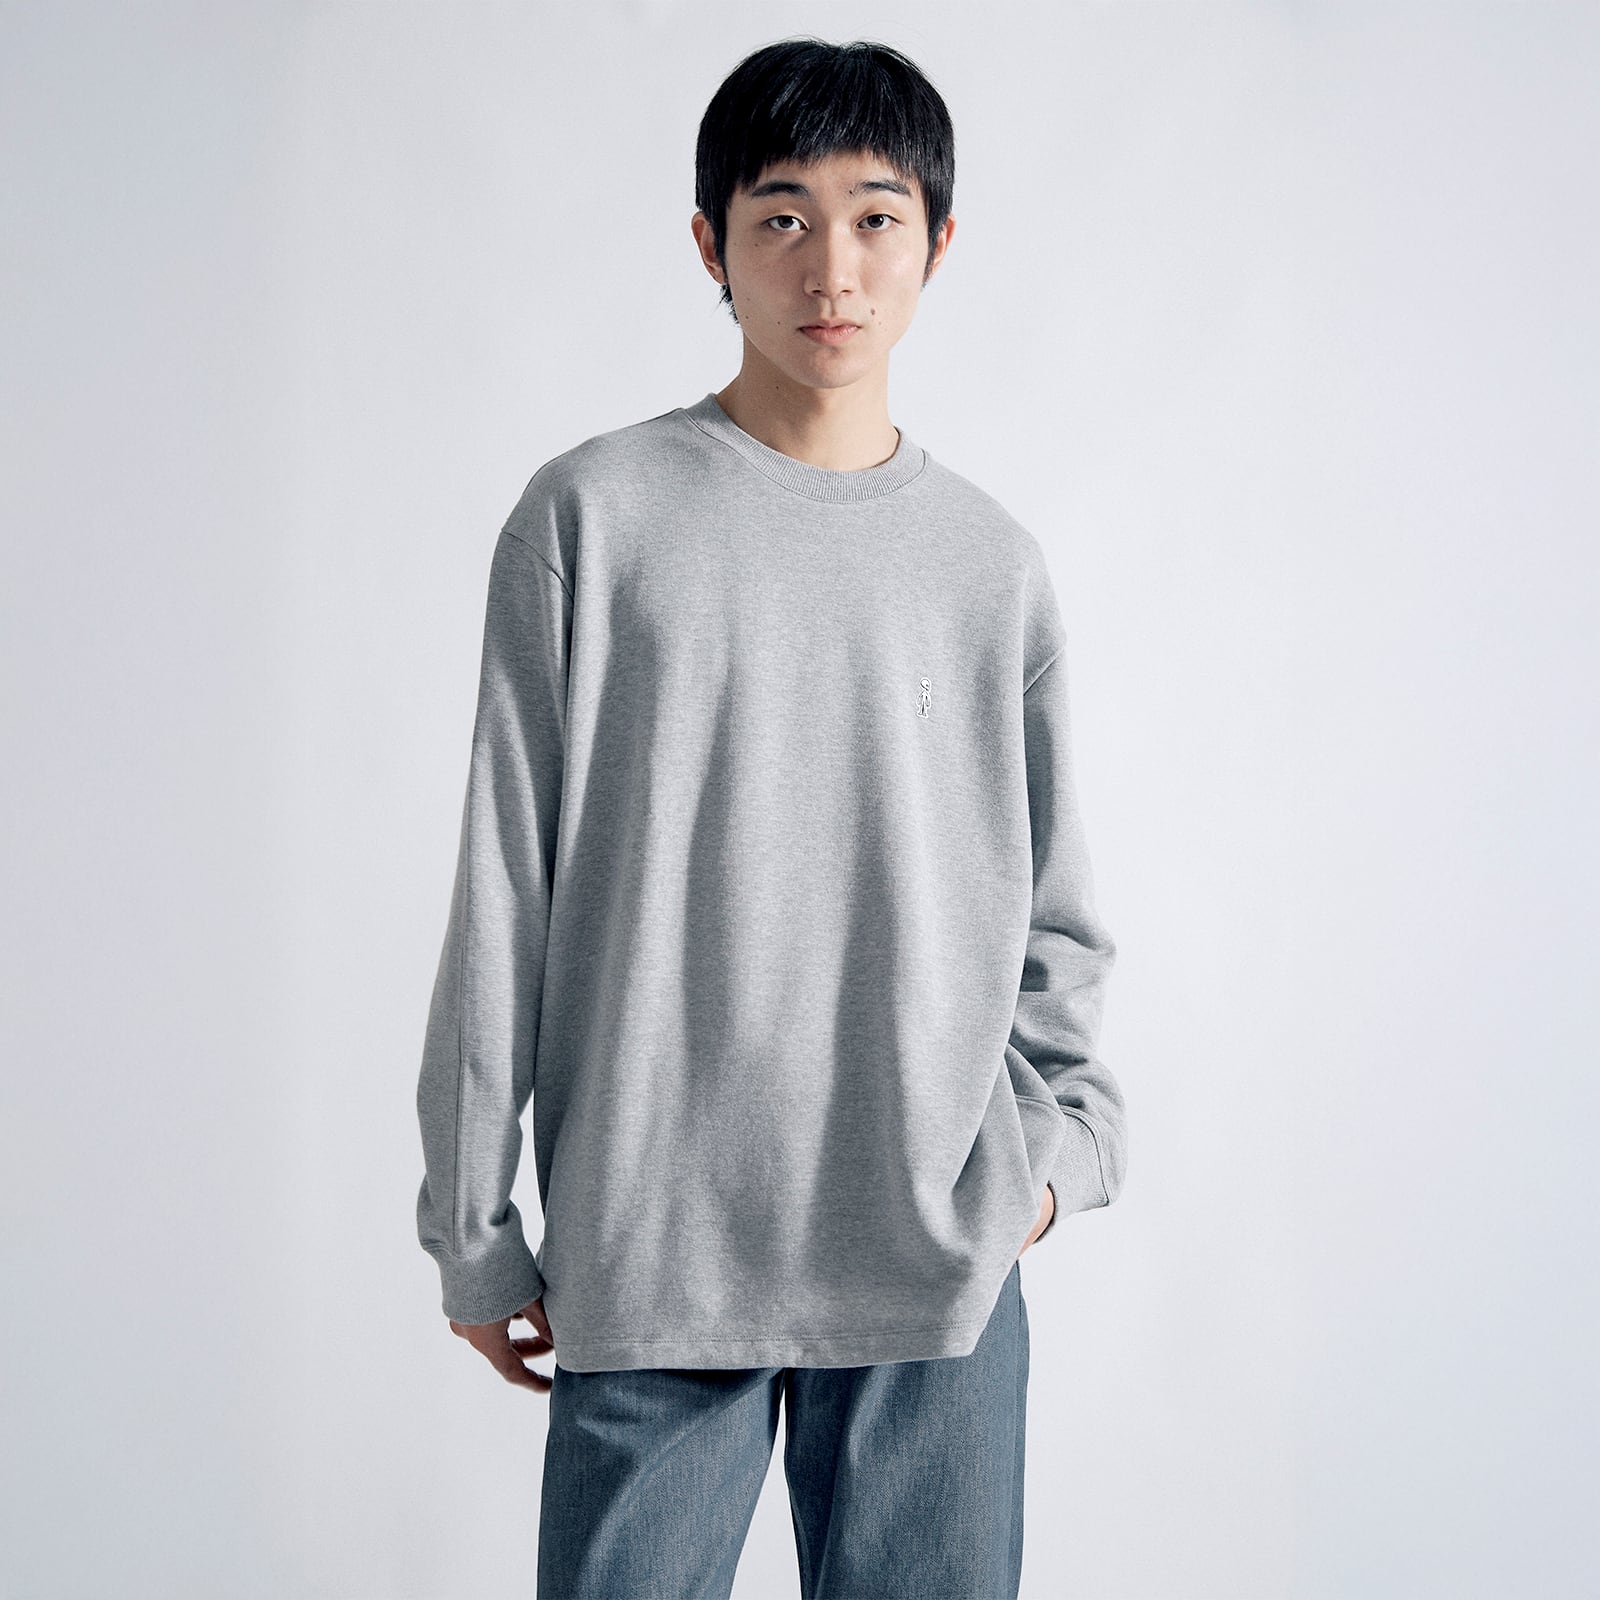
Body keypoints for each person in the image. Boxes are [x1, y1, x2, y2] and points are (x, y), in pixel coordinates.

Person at [415, 35, 1128, 1600]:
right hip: (655, 1253)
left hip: (935, 1273)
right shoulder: (591, 518)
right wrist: (472, 1222)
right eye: (782, 216)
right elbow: (505, 887)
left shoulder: (989, 565)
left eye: (877, 217)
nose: (832, 266)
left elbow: (1058, 915)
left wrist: (1057, 1158)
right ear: (710, 245)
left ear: (939, 243)